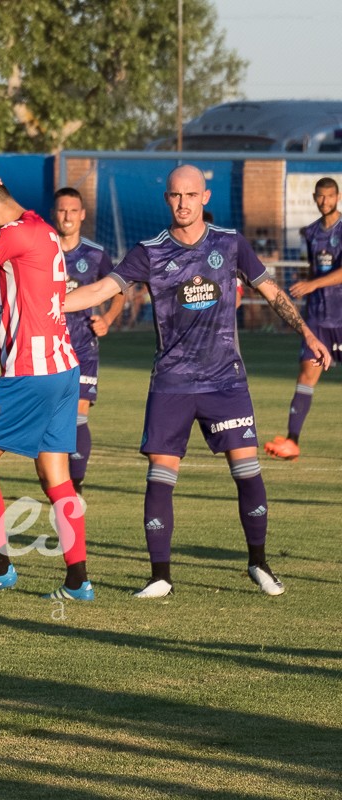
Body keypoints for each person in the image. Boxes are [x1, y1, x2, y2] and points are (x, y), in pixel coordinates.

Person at [65, 165, 331, 598]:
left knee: (248, 473)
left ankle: (259, 563)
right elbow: (100, 290)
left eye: (191, 195)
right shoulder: (149, 251)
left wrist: (306, 332)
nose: (183, 203)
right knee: (159, 475)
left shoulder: (230, 244)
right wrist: (51, 304)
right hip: (171, 382)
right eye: (175, 196)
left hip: (225, 381)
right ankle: (160, 576)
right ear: (166, 199)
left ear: (205, 197)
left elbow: (271, 293)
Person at [0, 170, 93, 601]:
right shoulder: (38, 227)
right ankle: (78, 579)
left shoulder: (12, 235)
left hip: (30, 372)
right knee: (55, 475)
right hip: (64, 368)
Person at [53, 187, 126, 494]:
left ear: (82, 215)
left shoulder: (95, 254)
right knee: (53, 417)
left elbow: (120, 291)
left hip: (83, 346)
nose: (67, 216)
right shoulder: (41, 250)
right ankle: (56, 482)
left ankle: (76, 487)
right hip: (46, 346)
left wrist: (107, 319)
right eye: (61, 210)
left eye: (73, 211)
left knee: (79, 412)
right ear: (54, 213)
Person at [264, 177, 342, 461]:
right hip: (318, 320)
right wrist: (304, 284)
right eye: (320, 197)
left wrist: (314, 284)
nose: (325, 202)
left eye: (330, 196)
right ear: (314, 197)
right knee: (306, 376)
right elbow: (313, 270)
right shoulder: (310, 233)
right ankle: (292, 441)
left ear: (338, 196)